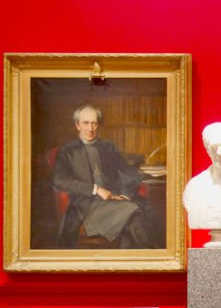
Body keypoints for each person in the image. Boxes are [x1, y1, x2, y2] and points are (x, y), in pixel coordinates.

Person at [51, 105, 156, 248]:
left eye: (94, 123)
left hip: (114, 200)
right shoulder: (68, 150)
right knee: (134, 212)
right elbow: (60, 181)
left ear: (98, 125)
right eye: (85, 123)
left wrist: (124, 194)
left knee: (140, 211)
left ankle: (132, 261)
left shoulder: (108, 147)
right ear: (77, 125)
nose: (90, 128)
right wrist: (95, 189)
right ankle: (146, 258)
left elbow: (127, 171)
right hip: (86, 207)